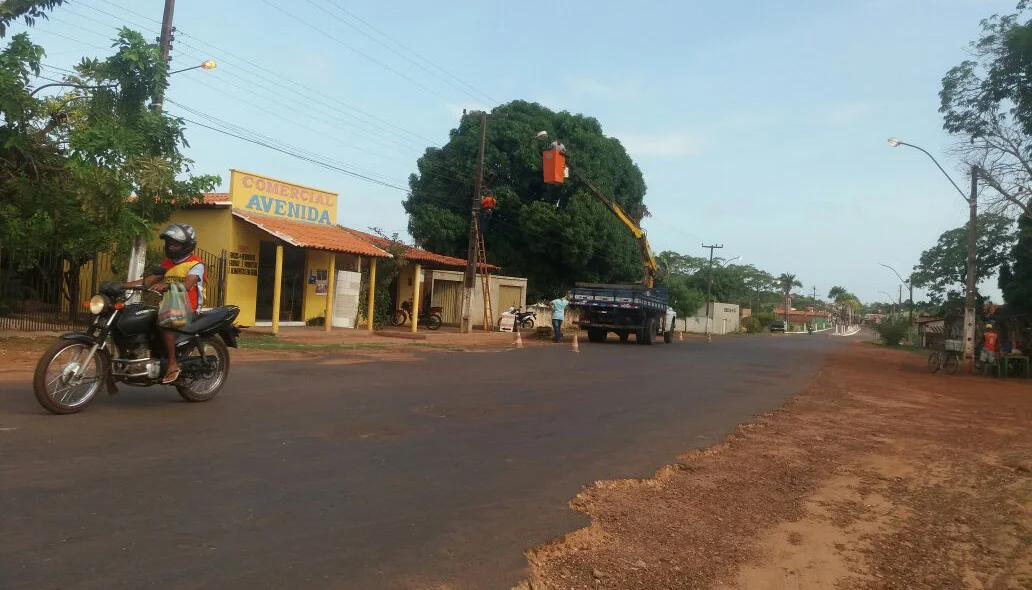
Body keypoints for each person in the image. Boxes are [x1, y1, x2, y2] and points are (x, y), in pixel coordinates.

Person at [123, 223, 205, 384]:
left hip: (189, 305)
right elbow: (148, 281)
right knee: (140, 317)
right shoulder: (167, 263)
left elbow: (188, 286)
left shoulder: (196, 264)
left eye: (175, 244)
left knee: (164, 320)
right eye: (169, 244)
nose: (171, 247)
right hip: (170, 304)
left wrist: (166, 286)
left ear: (186, 246)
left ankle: (173, 364)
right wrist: (121, 285)